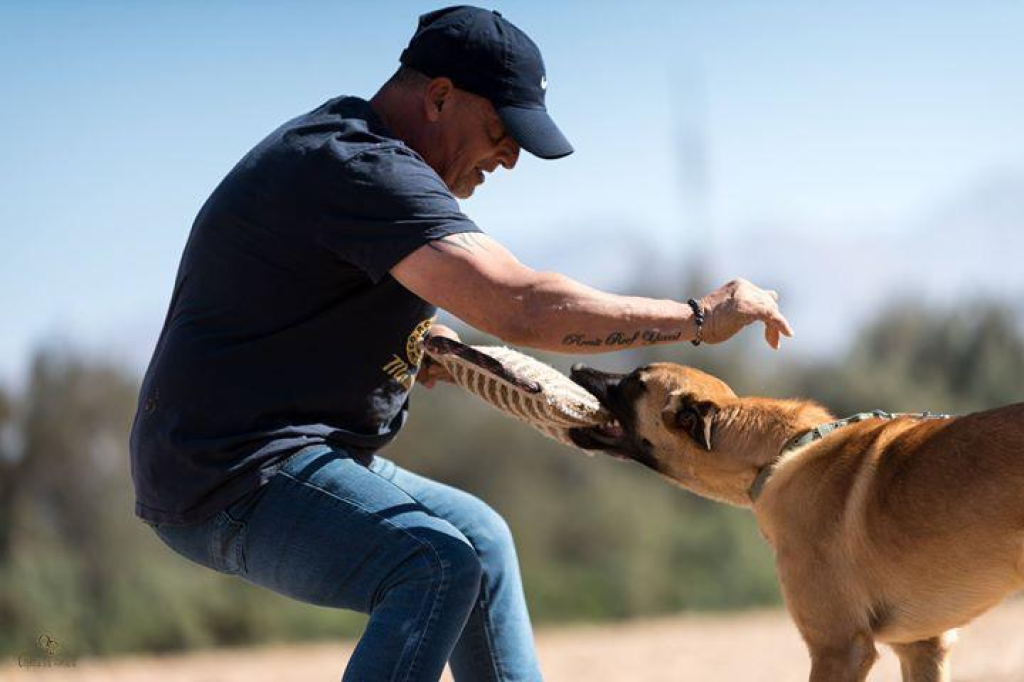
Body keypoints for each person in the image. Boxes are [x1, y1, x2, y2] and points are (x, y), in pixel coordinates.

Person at [129, 6, 793, 681]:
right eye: (502, 129)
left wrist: (424, 341)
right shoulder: (359, 167)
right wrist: (698, 316)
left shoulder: (352, 155)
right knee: (433, 563)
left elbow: (305, 289)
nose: (509, 157)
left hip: (281, 452)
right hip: (229, 472)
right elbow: (522, 306)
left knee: (482, 541)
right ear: (440, 96)